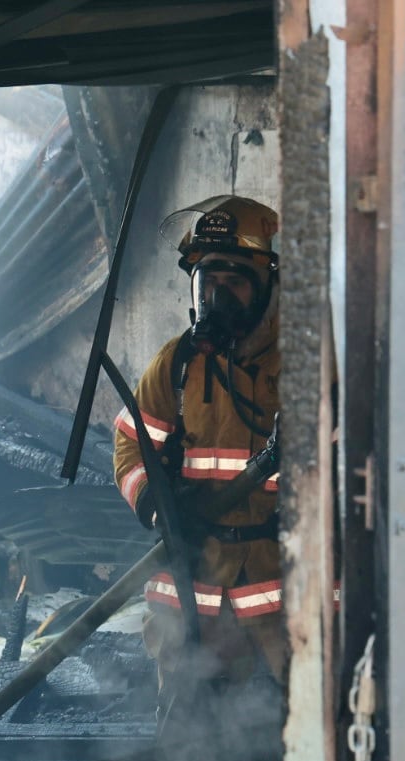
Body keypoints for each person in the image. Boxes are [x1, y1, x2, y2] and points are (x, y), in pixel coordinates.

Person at [112, 195, 286, 714]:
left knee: (294, 733)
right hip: (192, 592)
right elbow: (131, 447)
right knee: (185, 740)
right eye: (208, 281)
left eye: (234, 282)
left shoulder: (307, 364)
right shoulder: (178, 365)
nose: (217, 297)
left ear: (269, 285)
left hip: (282, 595)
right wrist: (156, 503)